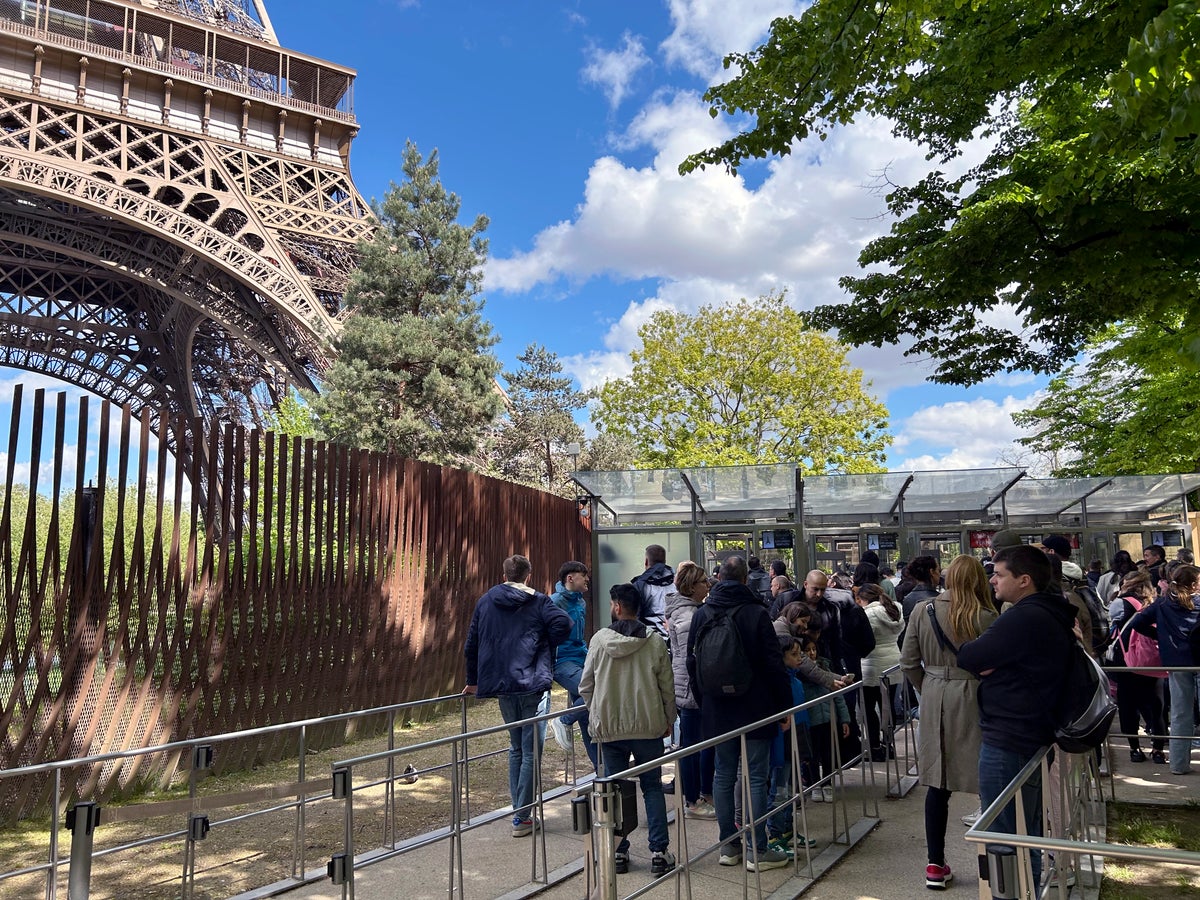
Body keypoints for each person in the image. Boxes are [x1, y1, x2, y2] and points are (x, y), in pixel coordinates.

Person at [957, 545, 1078, 888]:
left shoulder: (1023, 617)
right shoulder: (1048, 612)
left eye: (999, 574)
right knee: (1029, 829)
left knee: (1002, 833)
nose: (992, 580)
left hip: (1010, 737)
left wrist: (987, 662)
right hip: (1031, 733)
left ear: (1024, 580)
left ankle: (1010, 892)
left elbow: (969, 656)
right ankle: (1028, 887)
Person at [686, 556, 792, 872]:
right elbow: (774, 665)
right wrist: (784, 707)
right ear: (746, 579)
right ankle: (757, 850)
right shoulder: (757, 613)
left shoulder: (702, 613)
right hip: (756, 706)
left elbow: (691, 662)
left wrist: (704, 701)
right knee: (756, 776)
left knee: (723, 773)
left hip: (717, 708)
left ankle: (728, 846)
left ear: (719, 578)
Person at [900, 555, 998, 891]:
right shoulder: (987, 616)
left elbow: (908, 661)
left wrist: (927, 688)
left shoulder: (922, 611)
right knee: (987, 778)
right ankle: (993, 863)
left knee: (937, 784)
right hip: (975, 695)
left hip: (934, 694)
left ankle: (935, 864)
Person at [463, 554, 572, 837]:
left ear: (504, 575)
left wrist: (473, 681)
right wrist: (543, 642)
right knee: (530, 750)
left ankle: (519, 812)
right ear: (529, 574)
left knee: (516, 748)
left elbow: (471, 643)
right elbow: (564, 624)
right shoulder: (539, 600)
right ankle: (521, 816)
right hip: (533, 682)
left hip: (501, 682)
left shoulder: (486, 601)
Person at [579, 583, 678, 876]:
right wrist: (668, 719)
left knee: (614, 790)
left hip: (610, 728)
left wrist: (596, 710)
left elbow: (586, 685)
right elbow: (667, 687)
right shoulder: (655, 641)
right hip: (648, 726)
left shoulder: (599, 641)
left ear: (618, 606)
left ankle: (618, 852)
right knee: (652, 787)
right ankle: (659, 852)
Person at [1129, 564, 1200, 775]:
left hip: (1176, 661)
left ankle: (1178, 764)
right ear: (1195, 584)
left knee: (1179, 713)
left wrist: (1160, 637)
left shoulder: (1162, 604)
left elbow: (1138, 622)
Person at [664, 561, 716, 819]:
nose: (708, 585)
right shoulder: (688, 616)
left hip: (692, 684)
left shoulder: (694, 610)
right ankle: (693, 799)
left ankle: (703, 792)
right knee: (692, 744)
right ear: (691, 586)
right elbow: (691, 654)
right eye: (704, 581)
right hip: (690, 686)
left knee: (700, 742)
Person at [1108, 570, 1167, 764]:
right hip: (1152, 661)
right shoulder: (1157, 603)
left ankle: (1135, 749)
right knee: (1156, 706)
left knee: (1128, 706)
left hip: (1126, 661)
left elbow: (1113, 624)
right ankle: (1158, 750)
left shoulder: (1120, 603)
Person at [548, 561, 599, 770]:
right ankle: (563, 720)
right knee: (593, 692)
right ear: (570, 578)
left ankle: (600, 770)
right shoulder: (554, 602)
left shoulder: (581, 602)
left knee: (588, 714)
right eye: (583, 575)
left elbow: (578, 636)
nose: (587, 579)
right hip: (562, 662)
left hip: (580, 657)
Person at [856, 580, 904, 762]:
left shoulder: (866, 615)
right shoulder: (895, 610)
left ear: (862, 599)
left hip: (871, 664)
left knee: (869, 708)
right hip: (893, 662)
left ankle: (875, 746)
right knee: (888, 706)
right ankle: (889, 745)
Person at [633, 545, 675, 640]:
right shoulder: (678, 582)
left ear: (646, 561)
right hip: (674, 640)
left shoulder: (639, 585)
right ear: (664, 561)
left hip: (650, 641)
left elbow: (635, 618)